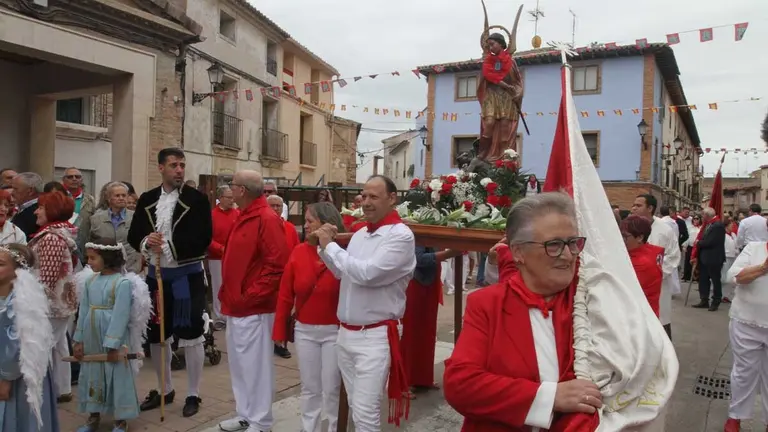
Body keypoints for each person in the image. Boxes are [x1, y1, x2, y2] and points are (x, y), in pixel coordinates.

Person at [444, 193, 602, 431]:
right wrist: (548, 397)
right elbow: (460, 385)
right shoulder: (487, 304)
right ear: (518, 252)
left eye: (573, 243)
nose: (568, 255)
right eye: (554, 245)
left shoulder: (592, 297)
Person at [316, 175, 416, 430]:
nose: (366, 202)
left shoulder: (401, 235)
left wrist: (331, 247)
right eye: (364, 196)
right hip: (346, 333)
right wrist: (323, 248)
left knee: (365, 413)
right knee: (357, 406)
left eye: (374, 197)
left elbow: (368, 274)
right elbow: (342, 272)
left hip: (375, 336)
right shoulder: (361, 233)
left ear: (392, 199)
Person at [127, 147, 213, 418]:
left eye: (182, 165)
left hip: (186, 276)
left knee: (191, 333)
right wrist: (146, 241)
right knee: (157, 334)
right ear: (161, 168)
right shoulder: (147, 199)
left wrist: (168, 246)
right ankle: (165, 389)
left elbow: (203, 237)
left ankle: (193, 393)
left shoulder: (197, 200)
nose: (179, 170)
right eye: (174, 165)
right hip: (156, 277)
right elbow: (134, 234)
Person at [217, 170, 289, 432]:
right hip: (237, 305)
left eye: (233, 184)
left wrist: (249, 296)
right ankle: (245, 414)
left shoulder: (266, 219)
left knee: (256, 366)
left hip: (253, 308)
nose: (230, 188)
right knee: (240, 364)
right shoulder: (245, 215)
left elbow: (276, 266)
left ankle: (261, 420)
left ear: (242, 191)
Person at [273, 202, 344, 432]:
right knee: (310, 387)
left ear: (326, 224)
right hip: (305, 331)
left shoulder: (342, 252)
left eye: (310, 221)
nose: (304, 226)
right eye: (305, 221)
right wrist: (279, 331)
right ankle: (309, 428)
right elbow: (285, 294)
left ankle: (334, 427)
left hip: (335, 331)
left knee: (332, 388)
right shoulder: (299, 252)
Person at [72, 239, 151, 432]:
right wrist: (79, 339)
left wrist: (113, 342)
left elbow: (121, 315)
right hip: (92, 336)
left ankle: (121, 419)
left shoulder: (122, 283)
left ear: (107, 258)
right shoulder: (90, 281)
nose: (88, 262)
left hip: (112, 338)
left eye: (93, 258)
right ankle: (93, 416)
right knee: (93, 374)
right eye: (88, 258)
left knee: (117, 376)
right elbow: (83, 311)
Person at [0, 243, 59, 432]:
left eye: (1, 264)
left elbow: (16, 345)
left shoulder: (20, 302)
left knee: (16, 419)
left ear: (18, 271)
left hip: (18, 374)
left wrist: (6, 379)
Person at [27, 191, 79, 403]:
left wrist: (32, 303)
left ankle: (41, 391)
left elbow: (46, 279)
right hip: (58, 303)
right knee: (59, 345)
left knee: (45, 346)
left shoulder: (51, 238)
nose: (36, 212)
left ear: (52, 210)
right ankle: (62, 388)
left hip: (51, 305)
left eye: (40, 207)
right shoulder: (55, 234)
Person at [401, 246, 462, 398]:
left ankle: (422, 378)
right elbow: (419, 259)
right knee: (411, 333)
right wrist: (447, 254)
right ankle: (403, 382)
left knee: (427, 332)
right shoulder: (415, 235)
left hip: (429, 282)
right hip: (415, 283)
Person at [722, 239, 768, 431]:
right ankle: (736, 416)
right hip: (746, 322)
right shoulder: (754, 248)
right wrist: (763, 267)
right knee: (743, 371)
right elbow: (734, 277)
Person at [476, 3, 524, 161]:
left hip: (507, 98)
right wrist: (502, 84)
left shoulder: (511, 62)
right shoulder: (487, 61)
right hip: (491, 96)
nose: (490, 47)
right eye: (488, 45)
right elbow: (487, 76)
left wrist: (518, 92)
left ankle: (504, 157)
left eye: (493, 44)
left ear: (501, 44)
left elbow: (518, 81)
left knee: (505, 126)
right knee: (489, 123)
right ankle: (483, 153)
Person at [631, 194, 679, 339]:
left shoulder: (665, 230)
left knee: (659, 323)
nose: (633, 208)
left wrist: (652, 273)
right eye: (633, 205)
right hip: (633, 282)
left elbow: (673, 256)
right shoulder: (629, 228)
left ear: (650, 208)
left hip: (658, 284)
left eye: (638, 205)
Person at [88, 182, 141, 273]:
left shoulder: (137, 217)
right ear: (108, 198)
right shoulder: (96, 219)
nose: (121, 198)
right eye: (117, 195)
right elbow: (91, 244)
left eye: (124, 195)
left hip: (131, 268)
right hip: (105, 269)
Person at [208, 185, 239, 331]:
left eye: (233, 197)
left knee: (233, 286)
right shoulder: (211, 215)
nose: (232, 200)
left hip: (234, 257)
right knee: (218, 286)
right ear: (220, 198)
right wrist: (220, 248)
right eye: (229, 197)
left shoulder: (238, 214)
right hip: (217, 257)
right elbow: (207, 238)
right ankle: (219, 317)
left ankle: (232, 314)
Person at [620, 215, 664, 317]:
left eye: (625, 236)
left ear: (640, 237)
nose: (621, 240)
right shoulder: (650, 251)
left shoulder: (641, 263)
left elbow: (622, 293)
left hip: (639, 317)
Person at [692, 207, 727, 311]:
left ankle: (716, 300)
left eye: (703, 215)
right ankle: (704, 299)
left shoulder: (717, 226)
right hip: (704, 257)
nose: (702, 217)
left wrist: (698, 242)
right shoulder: (709, 224)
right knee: (703, 279)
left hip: (714, 258)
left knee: (715, 280)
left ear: (707, 215)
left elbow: (710, 242)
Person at [61, 167, 95, 264]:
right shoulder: (59, 197)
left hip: (83, 245)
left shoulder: (90, 200)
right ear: (64, 180)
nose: (74, 179)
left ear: (82, 180)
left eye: (77, 177)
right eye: (70, 177)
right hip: (63, 244)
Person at [10, 172, 43, 240]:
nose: (12, 193)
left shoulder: (36, 213)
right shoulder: (24, 209)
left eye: (15, 189)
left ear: (30, 191)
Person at [682, 214, 702, 282]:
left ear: (700, 220)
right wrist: (684, 245)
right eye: (694, 219)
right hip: (690, 246)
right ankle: (687, 276)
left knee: (697, 262)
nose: (695, 220)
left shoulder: (701, 228)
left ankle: (696, 277)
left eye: (697, 219)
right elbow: (688, 238)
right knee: (688, 261)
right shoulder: (690, 227)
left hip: (697, 247)